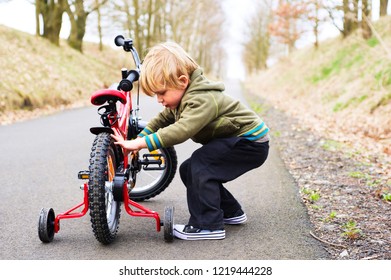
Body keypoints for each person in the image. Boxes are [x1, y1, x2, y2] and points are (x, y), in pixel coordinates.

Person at [111, 41, 269, 241]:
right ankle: (231, 212)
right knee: (189, 169)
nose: (159, 99)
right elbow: (163, 119)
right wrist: (141, 137)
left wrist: (142, 144)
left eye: (162, 93)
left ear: (183, 81)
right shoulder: (182, 96)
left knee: (201, 167)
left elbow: (182, 130)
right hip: (237, 140)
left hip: (249, 142)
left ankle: (208, 225)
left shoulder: (201, 98)